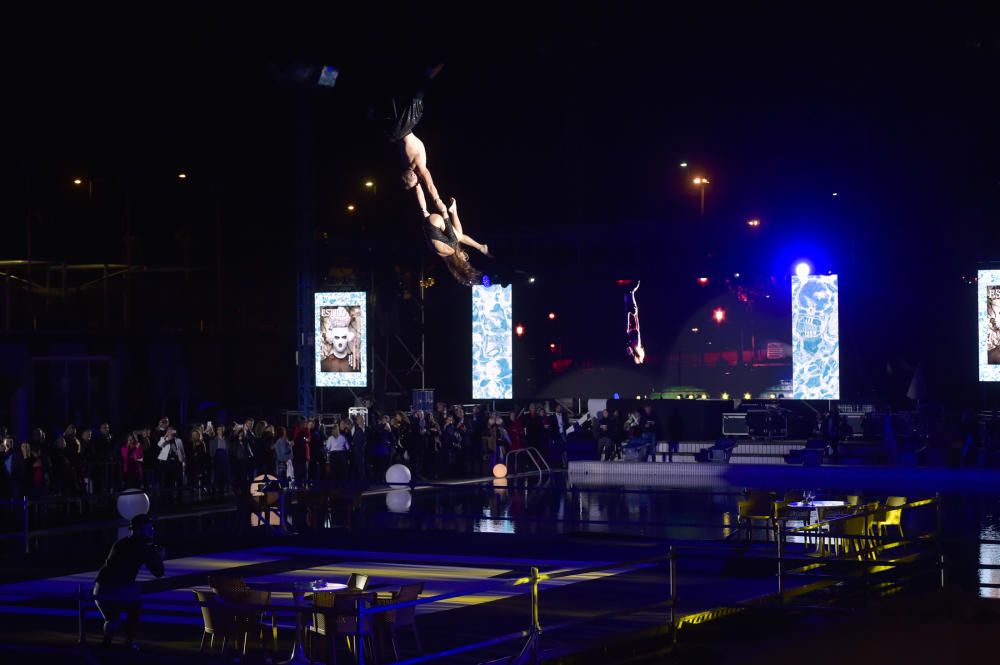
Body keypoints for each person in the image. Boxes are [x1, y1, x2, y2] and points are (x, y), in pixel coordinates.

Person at [93, 514, 165, 649]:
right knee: (134, 607)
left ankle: (107, 642)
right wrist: (159, 558)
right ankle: (128, 642)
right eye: (148, 528)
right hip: (118, 589)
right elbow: (158, 572)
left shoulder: (119, 543)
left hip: (100, 588)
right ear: (139, 529)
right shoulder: (143, 548)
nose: (151, 531)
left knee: (112, 619)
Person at [422, 198, 489, 286]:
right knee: (458, 236)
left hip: (434, 222)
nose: (465, 257)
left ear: (458, 261)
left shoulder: (450, 249)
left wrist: (444, 211)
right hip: (429, 224)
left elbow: (449, 229)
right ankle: (454, 211)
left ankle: (480, 247)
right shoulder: (447, 255)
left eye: (465, 259)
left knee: (459, 237)